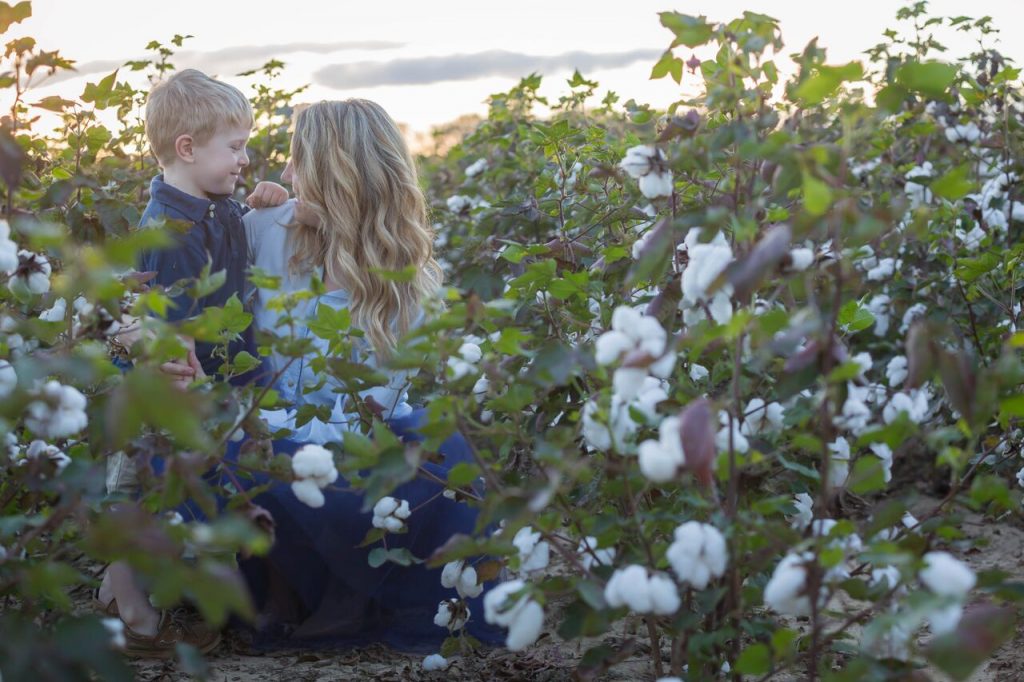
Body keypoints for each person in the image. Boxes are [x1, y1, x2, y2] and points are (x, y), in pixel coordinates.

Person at [184, 99, 500, 651]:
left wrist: (317, 437)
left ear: (336, 169)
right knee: (237, 448)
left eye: (296, 159)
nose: (283, 173)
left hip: (364, 430)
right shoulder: (265, 228)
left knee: (442, 463)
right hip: (270, 414)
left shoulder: (406, 270)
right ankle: (285, 590)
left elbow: (384, 396)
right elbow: (191, 266)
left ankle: (356, 591)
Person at [98, 68, 288, 658]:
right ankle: (134, 613)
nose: (245, 160)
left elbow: (237, 279)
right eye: (234, 148)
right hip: (168, 389)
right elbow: (165, 328)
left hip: (215, 379)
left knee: (196, 489)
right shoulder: (167, 232)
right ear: (186, 148)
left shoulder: (221, 209)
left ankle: (164, 599)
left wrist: (275, 200)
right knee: (135, 493)